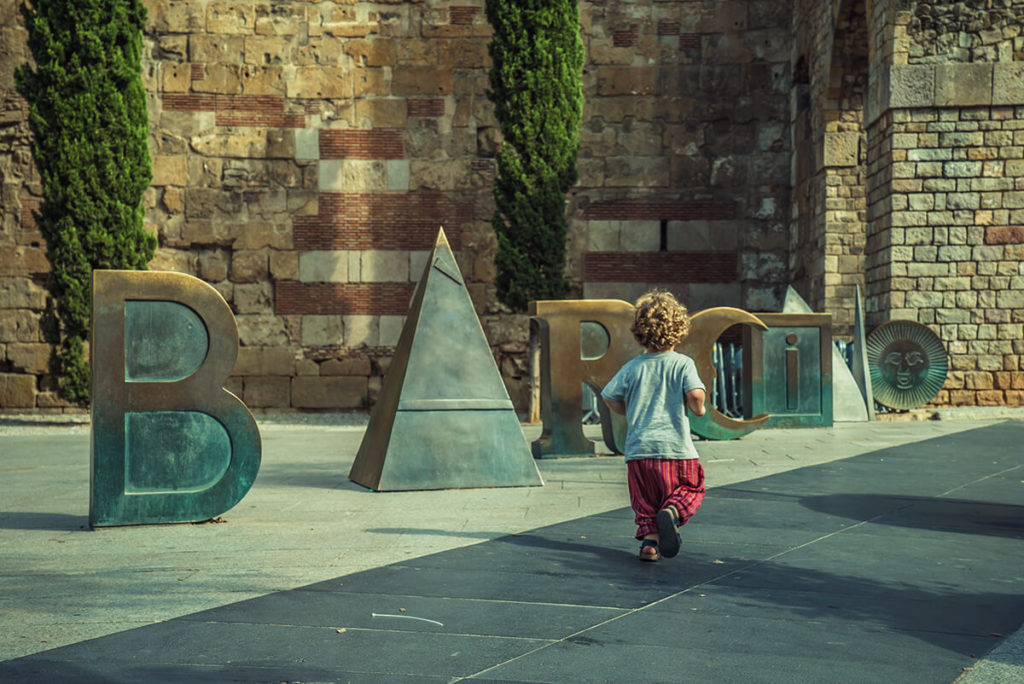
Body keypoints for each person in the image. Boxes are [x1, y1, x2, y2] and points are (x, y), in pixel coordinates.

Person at [601, 290, 707, 562]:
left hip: (639, 452)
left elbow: (609, 395)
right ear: (679, 329)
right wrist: (700, 408)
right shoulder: (683, 364)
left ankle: (650, 545)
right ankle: (671, 513)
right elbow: (695, 395)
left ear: (639, 331)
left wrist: (628, 410)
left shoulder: (632, 367)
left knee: (645, 503)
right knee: (691, 488)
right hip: (675, 450)